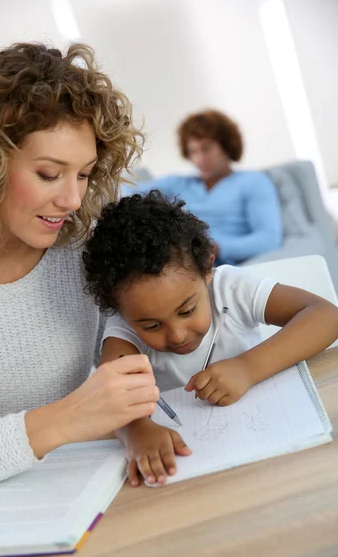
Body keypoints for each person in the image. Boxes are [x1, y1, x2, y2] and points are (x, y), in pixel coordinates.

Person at [0, 43, 160, 506]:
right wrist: (62, 420)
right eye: (48, 173)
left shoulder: (79, 252)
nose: (73, 200)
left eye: (83, 174)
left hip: (89, 500)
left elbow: (132, 338)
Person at [83, 190, 338, 487]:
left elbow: (327, 316)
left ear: (206, 269)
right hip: (202, 470)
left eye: (188, 309)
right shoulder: (124, 326)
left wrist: (247, 368)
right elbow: (112, 392)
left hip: (274, 452)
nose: (177, 335)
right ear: (121, 310)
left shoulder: (229, 288)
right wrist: (135, 429)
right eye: (151, 326)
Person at [126, 109, 282, 265]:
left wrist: (218, 248)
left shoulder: (253, 181)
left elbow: (269, 238)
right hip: (174, 258)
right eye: (193, 151)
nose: (200, 158)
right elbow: (127, 195)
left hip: (217, 263)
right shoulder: (176, 183)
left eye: (206, 148)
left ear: (226, 147)